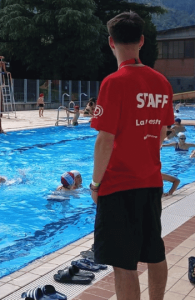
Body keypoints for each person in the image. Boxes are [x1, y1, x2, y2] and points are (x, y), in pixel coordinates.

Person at [90, 12, 174, 300]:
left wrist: (95, 184)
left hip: (119, 185)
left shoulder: (114, 82)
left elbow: (104, 141)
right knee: (154, 251)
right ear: (141, 40)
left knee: (123, 264)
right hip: (150, 180)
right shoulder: (162, 82)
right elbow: (163, 131)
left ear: (111, 42)